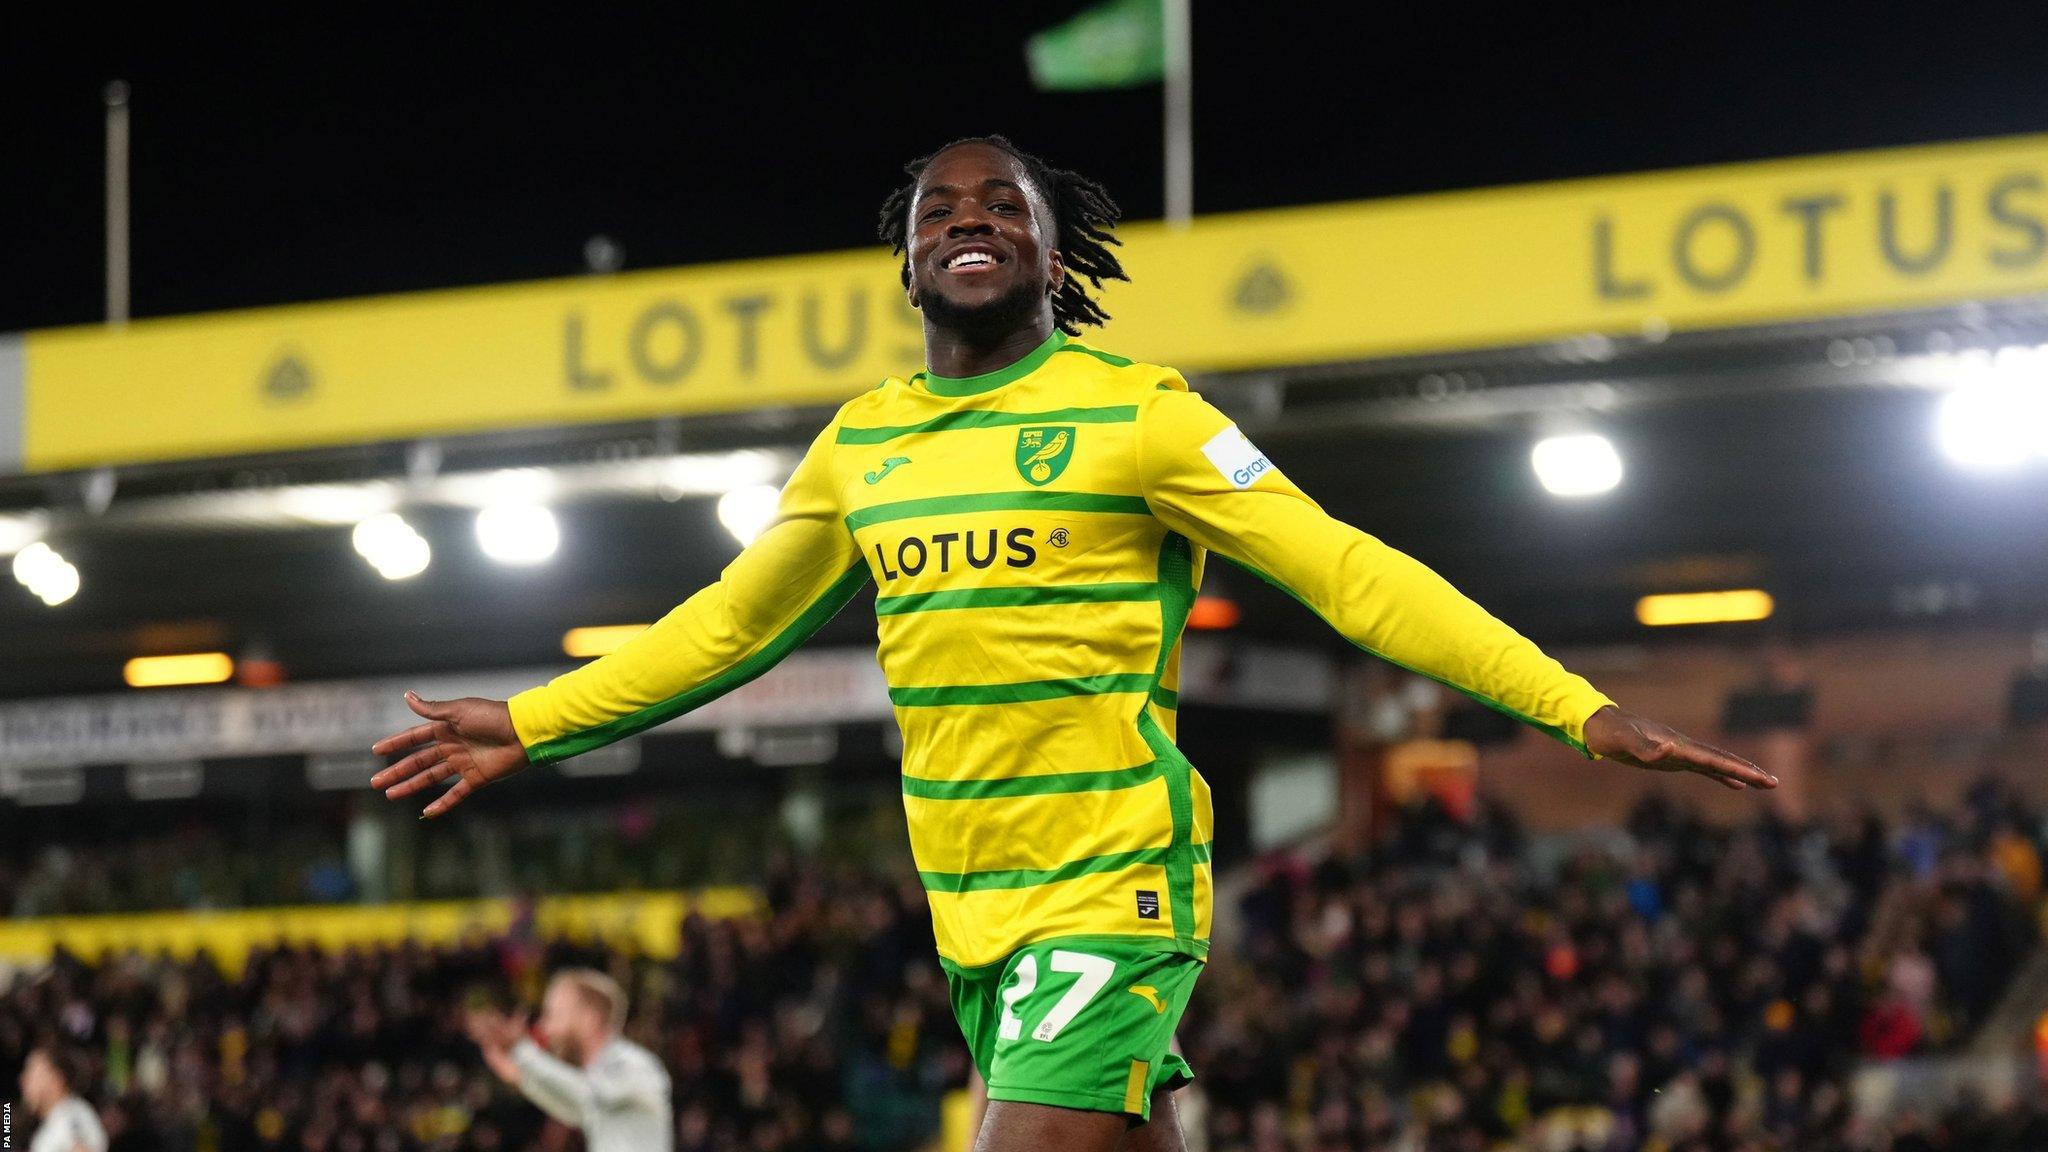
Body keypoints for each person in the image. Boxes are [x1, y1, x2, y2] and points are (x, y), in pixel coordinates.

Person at [374, 136, 1776, 1152]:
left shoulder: (1144, 415)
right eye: (939, 208)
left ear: (1054, 251)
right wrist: (542, 718)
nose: (969, 219)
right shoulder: (863, 446)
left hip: (1111, 885)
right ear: (908, 257)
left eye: (1005, 205)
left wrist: (1575, 708)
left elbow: (1347, 573)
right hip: (973, 905)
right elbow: (732, 627)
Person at [464, 968, 673, 1152]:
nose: (546, 1027)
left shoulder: (634, 1064)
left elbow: (586, 1096)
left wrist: (523, 1052)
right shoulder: (602, 1075)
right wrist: (521, 1077)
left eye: (553, 1014)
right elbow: (574, 1110)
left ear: (589, 1019)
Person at [19, 1047, 107, 1152]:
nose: (23, 1080)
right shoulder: (56, 1121)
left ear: (57, 1078)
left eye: (32, 1073)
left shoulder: (71, 1115)